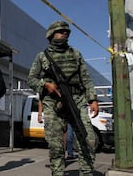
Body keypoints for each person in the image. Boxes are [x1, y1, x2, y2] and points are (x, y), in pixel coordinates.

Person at [28, 20, 99, 176]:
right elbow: (31, 79)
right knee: (55, 144)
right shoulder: (42, 57)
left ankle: (87, 172)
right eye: (61, 31)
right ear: (51, 35)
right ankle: (57, 172)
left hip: (76, 100)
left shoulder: (75, 54)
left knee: (88, 138)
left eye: (67, 32)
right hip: (53, 102)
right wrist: (45, 84)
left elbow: (86, 78)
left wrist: (93, 99)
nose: (65, 34)